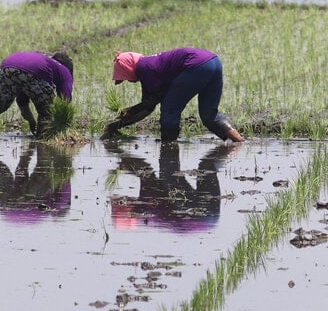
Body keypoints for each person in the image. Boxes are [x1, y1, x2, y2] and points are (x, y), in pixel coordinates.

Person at [101, 47, 245, 142]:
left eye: (124, 76)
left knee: (169, 108)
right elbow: (148, 107)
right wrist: (118, 124)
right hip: (213, 61)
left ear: (129, 67)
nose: (126, 80)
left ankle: (168, 145)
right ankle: (240, 142)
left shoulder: (144, 68)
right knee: (209, 114)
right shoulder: (150, 65)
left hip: (195, 66)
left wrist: (128, 112)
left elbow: (151, 103)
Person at [108, 141, 238, 232]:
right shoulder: (144, 208)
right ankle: (235, 144)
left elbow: (147, 174)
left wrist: (125, 163)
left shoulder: (148, 218)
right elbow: (146, 171)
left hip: (211, 219)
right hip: (201, 215)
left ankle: (233, 146)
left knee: (207, 166)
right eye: (122, 201)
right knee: (169, 173)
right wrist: (121, 156)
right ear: (127, 209)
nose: (124, 198)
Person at [0, 51, 74, 137]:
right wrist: (63, 125)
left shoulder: (45, 62)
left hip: (9, 65)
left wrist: (31, 121)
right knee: (46, 112)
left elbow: (22, 100)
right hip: (33, 70)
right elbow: (65, 101)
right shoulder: (64, 71)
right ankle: (42, 141)